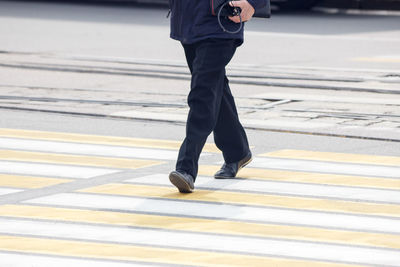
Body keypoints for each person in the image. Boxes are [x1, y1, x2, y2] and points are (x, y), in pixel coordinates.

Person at [168, 0, 267, 193]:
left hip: (220, 20)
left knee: (202, 95)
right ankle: (237, 152)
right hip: (188, 20)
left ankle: (186, 168)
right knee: (214, 88)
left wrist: (254, 2)